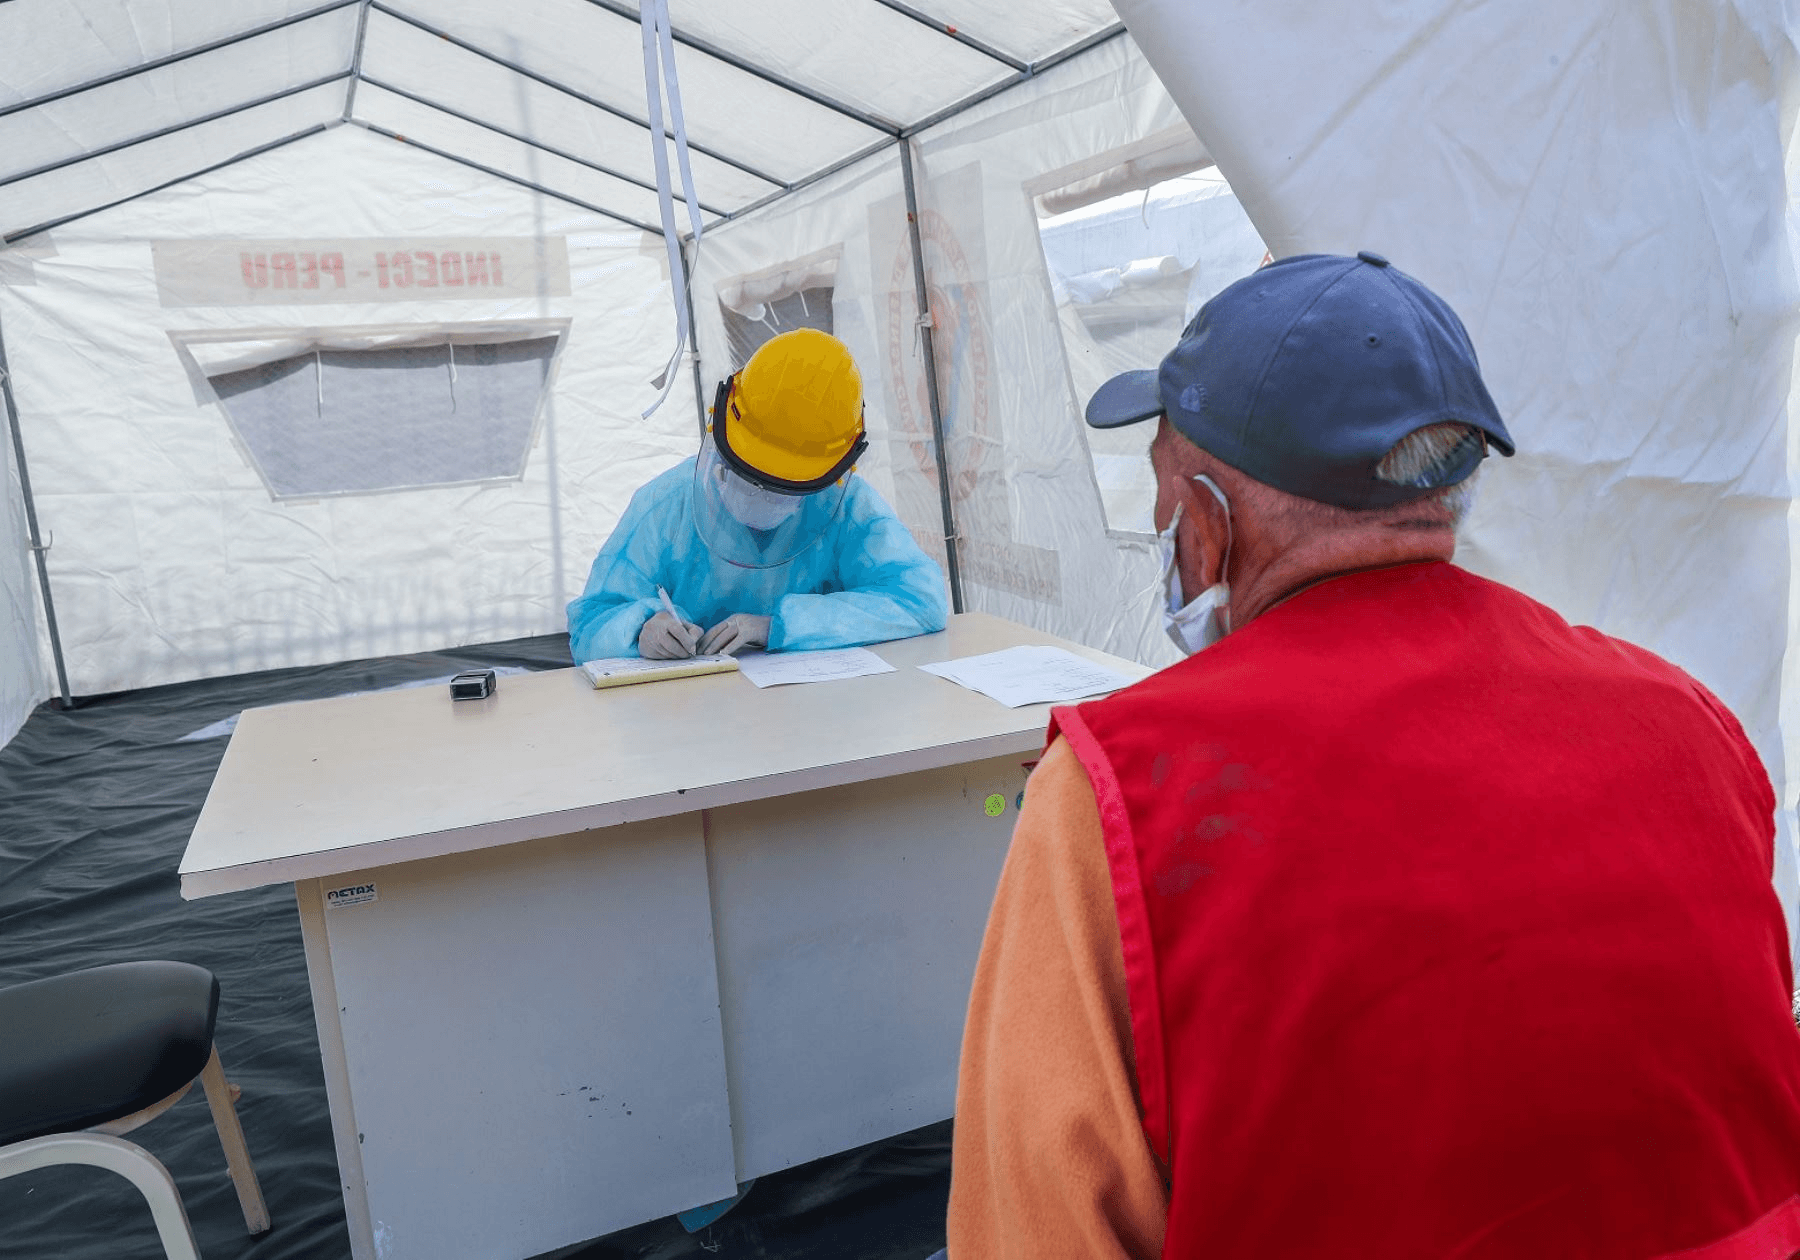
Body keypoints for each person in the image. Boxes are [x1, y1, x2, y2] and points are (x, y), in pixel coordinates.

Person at [945, 252, 1800, 1258]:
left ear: (1209, 525)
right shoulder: (1689, 720)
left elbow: (1032, 1228)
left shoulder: (1118, 794)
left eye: (1162, 494)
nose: (1161, 532)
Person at [567, 328, 948, 663]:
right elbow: (589, 624)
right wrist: (641, 628)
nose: (764, 496)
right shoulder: (665, 505)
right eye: (748, 473)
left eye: (787, 487)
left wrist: (776, 627)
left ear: (834, 472)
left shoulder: (848, 506)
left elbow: (921, 600)